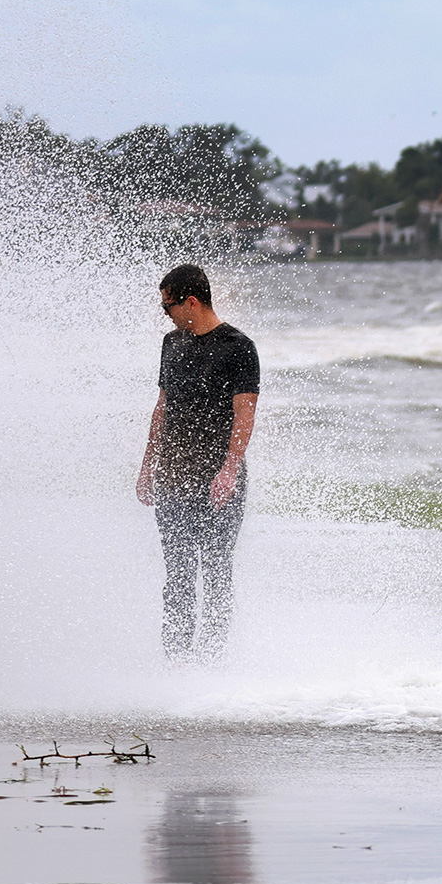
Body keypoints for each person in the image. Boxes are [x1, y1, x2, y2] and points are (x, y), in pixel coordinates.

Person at [136, 263, 260, 663]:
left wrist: (229, 469)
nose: (166, 314)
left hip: (218, 482)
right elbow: (162, 408)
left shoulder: (238, 347)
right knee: (178, 576)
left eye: (167, 306)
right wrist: (146, 467)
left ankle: (211, 663)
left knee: (217, 573)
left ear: (191, 301)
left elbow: (245, 415)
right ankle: (175, 664)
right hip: (173, 476)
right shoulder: (171, 344)